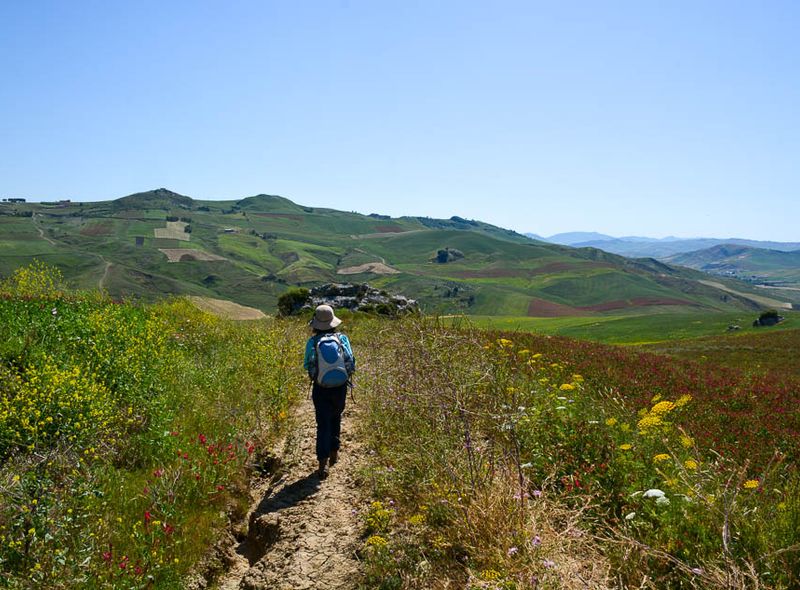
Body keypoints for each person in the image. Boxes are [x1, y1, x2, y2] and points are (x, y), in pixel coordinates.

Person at [303, 304, 355, 479]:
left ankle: (322, 463)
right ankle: (334, 452)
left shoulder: (313, 342)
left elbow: (307, 365)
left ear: (315, 324)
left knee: (323, 423)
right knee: (336, 416)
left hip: (321, 387)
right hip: (340, 386)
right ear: (333, 322)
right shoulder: (342, 338)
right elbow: (351, 362)